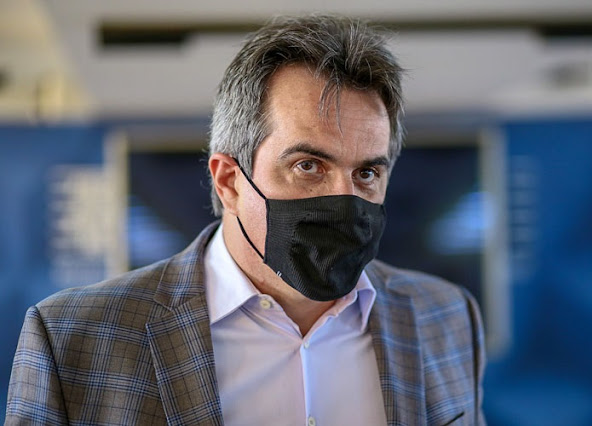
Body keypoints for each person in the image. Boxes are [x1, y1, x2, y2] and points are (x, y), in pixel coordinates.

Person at [6, 15, 485, 425]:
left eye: (366, 173)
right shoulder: (73, 340)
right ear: (229, 180)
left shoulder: (446, 316)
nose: (344, 197)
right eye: (308, 166)